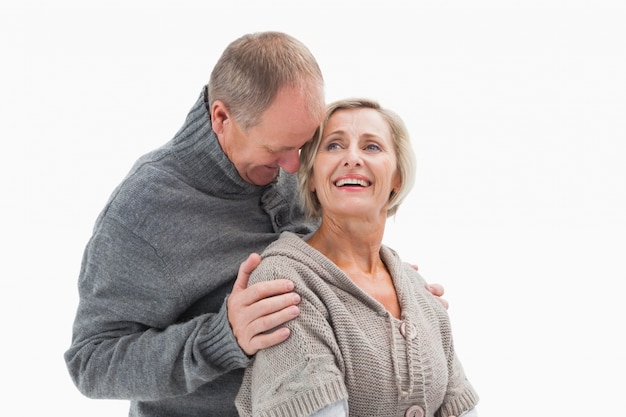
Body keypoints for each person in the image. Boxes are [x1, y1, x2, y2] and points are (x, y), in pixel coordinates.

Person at [64, 32, 447, 417]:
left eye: (305, 145)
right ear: (221, 118)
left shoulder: (288, 156)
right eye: (276, 150)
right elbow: (91, 362)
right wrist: (221, 338)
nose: (296, 167)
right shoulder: (145, 209)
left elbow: (325, 266)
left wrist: (388, 296)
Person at [235, 98, 479, 417]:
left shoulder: (420, 294)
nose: (352, 158)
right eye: (334, 145)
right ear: (309, 176)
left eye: (372, 147)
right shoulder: (284, 281)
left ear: (398, 178)